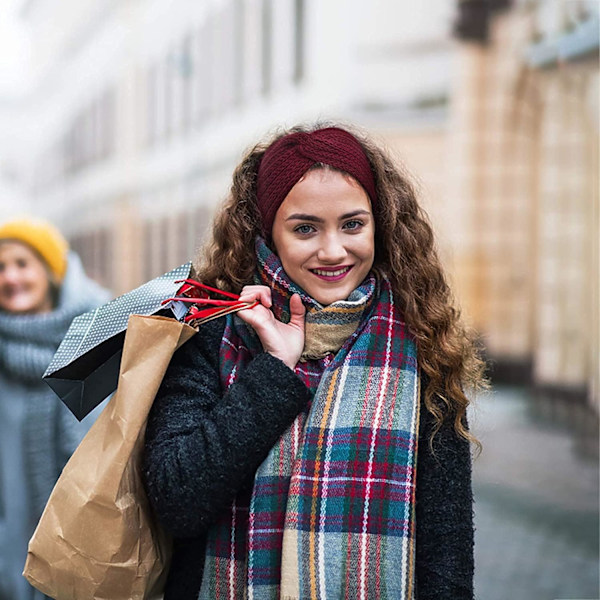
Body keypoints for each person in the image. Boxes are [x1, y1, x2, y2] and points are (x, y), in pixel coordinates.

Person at [143, 124, 485, 600]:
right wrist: (273, 373)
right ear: (267, 233)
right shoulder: (211, 335)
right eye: (305, 228)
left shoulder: (424, 347)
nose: (332, 250)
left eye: (352, 224)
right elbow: (178, 501)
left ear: (378, 225)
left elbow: (445, 554)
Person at [0, 218, 111, 600]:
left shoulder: (104, 338)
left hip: (90, 555)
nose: (10, 277)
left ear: (50, 270)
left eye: (21, 263)